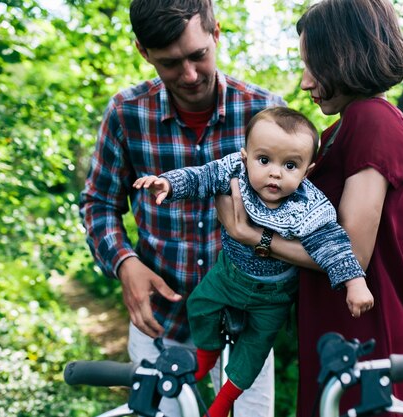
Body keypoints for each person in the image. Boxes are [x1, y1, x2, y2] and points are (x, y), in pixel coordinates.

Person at [78, 1, 286, 416]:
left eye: (198, 56)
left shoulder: (264, 113)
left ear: (216, 34)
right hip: (162, 324)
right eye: (171, 63)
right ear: (144, 52)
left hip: (245, 325)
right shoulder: (126, 113)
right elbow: (99, 203)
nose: (189, 75)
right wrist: (125, 263)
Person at [215, 0, 403, 416]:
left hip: (363, 331)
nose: (307, 83)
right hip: (335, 328)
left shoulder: (372, 121)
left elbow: (353, 253)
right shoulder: (342, 127)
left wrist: (252, 237)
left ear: (345, 58)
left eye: (314, 65)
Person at [134, 106, 374, 417]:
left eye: (290, 165)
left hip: (273, 296)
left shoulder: (309, 206)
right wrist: (169, 184)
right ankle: (207, 354)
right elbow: (202, 177)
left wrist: (355, 284)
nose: (275, 172)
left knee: (254, 351)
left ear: (307, 171)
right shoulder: (234, 171)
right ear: (245, 157)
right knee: (200, 306)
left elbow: (334, 245)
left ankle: (222, 403)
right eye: (264, 160)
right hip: (229, 274)